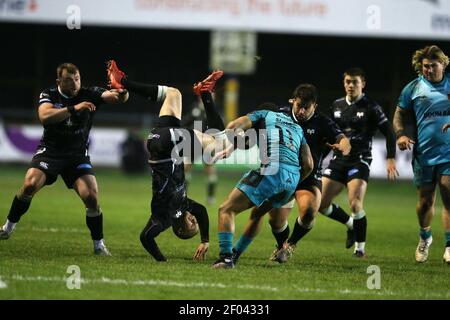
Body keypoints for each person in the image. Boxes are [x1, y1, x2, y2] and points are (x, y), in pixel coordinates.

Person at [0, 63, 129, 255]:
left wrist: (121, 89)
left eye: (77, 79)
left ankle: (99, 245)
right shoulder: (49, 94)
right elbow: (45, 116)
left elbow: (117, 99)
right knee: (29, 185)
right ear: (59, 81)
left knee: (91, 197)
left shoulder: (89, 93)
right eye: (69, 80)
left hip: (76, 156)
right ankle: (8, 227)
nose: (75, 84)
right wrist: (74, 108)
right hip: (50, 151)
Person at [107, 60, 230, 261]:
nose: (194, 221)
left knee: (222, 144)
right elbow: (202, 212)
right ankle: (123, 81)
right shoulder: (183, 206)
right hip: (157, 139)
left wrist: (161, 259)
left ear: (181, 229)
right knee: (173, 93)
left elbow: (145, 237)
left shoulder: (164, 219)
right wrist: (205, 240)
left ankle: (206, 93)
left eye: (192, 226)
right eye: (195, 224)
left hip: (165, 147)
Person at [231, 84, 351, 264]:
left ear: (315, 106)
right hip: (281, 175)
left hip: (307, 177)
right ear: (292, 101)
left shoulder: (322, 122)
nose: (302, 111)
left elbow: (343, 140)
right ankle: (281, 246)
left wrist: (343, 147)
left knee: (310, 210)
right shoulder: (279, 115)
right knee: (276, 222)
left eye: (306, 107)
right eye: (298, 106)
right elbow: (253, 133)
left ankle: (291, 244)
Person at [213, 85, 314, 269]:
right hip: (292, 180)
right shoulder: (297, 128)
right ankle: (235, 254)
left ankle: (225, 258)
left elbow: (232, 127)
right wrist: (293, 185)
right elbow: (308, 164)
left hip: (272, 171)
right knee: (258, 213)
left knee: (226, 209)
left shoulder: (263, 115)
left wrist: (228, 138)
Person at [318, 67, 398, 258]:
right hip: (339, 161)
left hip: (360, 160)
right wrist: (319, 158)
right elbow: (330, 135)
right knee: (320, 203)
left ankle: (360, 249)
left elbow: (389, 132)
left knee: (355, 203)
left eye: (355, 82)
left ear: (363, 84)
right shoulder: (336, 105)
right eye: (347, 82)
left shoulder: (371, 106)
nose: (351, 85)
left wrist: (390, 158)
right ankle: (350, 225)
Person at [393, 45, 450, 264]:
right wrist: (400, 134)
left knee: (448, 195)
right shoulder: (414, 88)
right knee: (425, 202)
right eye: (424, 66)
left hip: (448, 154)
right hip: (424, 155)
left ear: (443, 64)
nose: (427, 70)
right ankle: (425, 237)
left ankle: (449, 244)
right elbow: (398, 114)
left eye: (432, 66)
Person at [183, 91, 219, 205]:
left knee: (209, 168)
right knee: (186, 167)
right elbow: (184, 122)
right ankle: (183, 195)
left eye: (212, 95)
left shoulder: (213, 110)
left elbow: (218, 127)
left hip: (208, 142)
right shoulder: (194, 108)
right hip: (193, 141)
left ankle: (210, 197)